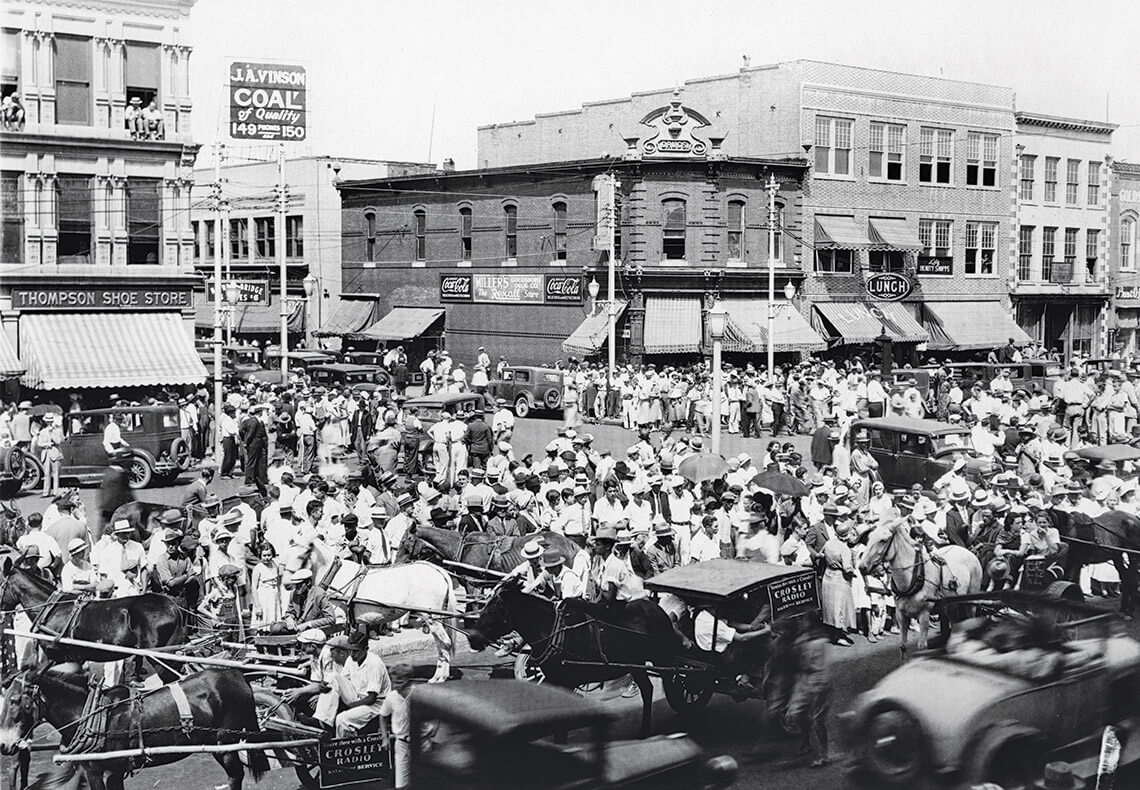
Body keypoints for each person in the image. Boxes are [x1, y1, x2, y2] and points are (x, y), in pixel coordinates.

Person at [334, 631, 391, 738]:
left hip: (376, 705)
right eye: (350, 650)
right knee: (332, 677)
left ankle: (348, 745)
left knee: (342, 719)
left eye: (356, 651)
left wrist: (351, 705)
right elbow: (342, 681)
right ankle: (321, 719)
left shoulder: (374, 664)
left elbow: (371, 699)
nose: (352, 654)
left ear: (366, 649)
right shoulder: (351, 660)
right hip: (358, 697)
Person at [250, 544, 284, 628]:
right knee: (264, 620)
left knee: (274, 619)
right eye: (264, 555)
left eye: (269, 555)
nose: (267, 558)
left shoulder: (274, 565)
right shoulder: (258, 568)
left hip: (274, 596)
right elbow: (254, 587)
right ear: (260, 555)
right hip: (263, 597)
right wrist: (258, 606)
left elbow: (278, 582)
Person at [35, 412, 63, 497]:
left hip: (55, 453)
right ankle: (46, 492)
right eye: (47, 421)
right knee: (47, 473)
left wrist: (52, 434)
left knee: (56, 473)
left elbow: (59, 441)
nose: (49, 423)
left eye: (50, 421)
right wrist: (47, 444)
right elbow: (39, 443)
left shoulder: (57, 430)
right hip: (46, 453)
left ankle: (55, 491)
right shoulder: (42, 431)